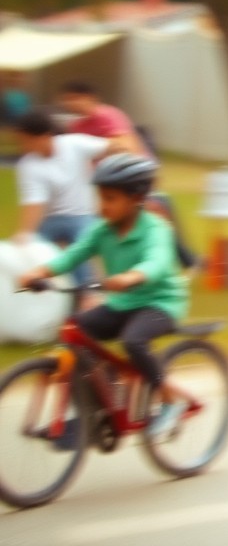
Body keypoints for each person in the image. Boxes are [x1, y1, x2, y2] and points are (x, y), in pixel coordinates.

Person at [18, 154, 191, 441]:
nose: (102, 206)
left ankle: (171, 402)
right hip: (122, 302)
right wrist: (41, 272)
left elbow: (158, 262)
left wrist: (132, 276)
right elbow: (74, 254)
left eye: (110, 198)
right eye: (100, 197)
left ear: (136, 198)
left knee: (133, 341)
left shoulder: (157, 229)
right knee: (75, 332)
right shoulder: (102, 229)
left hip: (159, 302)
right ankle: (98, 406)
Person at [12, 111, 127, 285]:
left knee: (80, 249)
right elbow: (34, 203)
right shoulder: (27, 165)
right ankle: (41, 288)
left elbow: (115, 146)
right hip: (50, 219)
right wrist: (26, 234)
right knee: (33, 251)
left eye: (26, 139)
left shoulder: (74, 144)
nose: (23, 145)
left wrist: (118, 163)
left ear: (44, 136)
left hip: (82, 215)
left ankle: (86, 291)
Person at [58, 81, 148, 157]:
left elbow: (128, 147)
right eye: (66, 100)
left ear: (89, 98)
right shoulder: (75, 126)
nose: (69, 103)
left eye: (74, 99)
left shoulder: (108, 115)